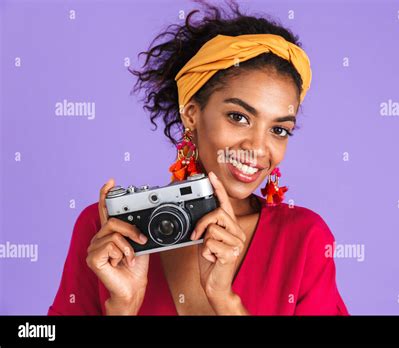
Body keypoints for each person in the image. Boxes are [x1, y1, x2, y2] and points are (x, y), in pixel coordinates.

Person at [48, 1, 349, 316]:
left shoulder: (304, 241)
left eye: (279, 130)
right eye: (238, 117)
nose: (259, 148)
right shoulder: (106, 229)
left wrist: (225, 300)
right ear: (192, 114)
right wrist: (123, 307)